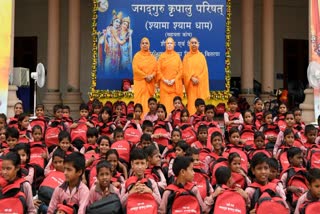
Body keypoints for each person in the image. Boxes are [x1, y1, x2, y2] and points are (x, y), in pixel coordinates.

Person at [183, 37, 210, 114]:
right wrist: (191, 78)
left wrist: (198, 79)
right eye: (192, 43)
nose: (194, 44)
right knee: (192, 104)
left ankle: (201, 120)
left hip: (200, 84)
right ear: (189, 44)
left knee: (201, 104)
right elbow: (184, 71)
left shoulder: (202, 57)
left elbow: (205, 72)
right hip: (191, 85)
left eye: (195, 43)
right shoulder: (186, 57)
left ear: (198, 44)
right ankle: (191, 119)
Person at [132, 38, 157, 119]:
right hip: (140, 84)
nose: (145, 45)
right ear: (140, 45)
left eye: (146, 43)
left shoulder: (152, 58)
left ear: (149, 45)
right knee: (139, 103)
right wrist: (146, 76)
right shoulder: (137, 56)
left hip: (149, 85)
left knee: (148, 103)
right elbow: (135, 70)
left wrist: (152, 76)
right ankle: (138, 120)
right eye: (143, 43)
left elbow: (156, 70)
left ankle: (149, 120)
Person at [157, 37, 183, 113]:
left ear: (174, 45)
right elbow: (158, 70)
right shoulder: (162, 56)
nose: (169, 45)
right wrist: (164, 80)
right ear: (165, 45)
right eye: (168, 43)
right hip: (164, 86)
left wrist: (174, 80)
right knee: (164, 106)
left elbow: (181, 70)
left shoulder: (177, 56)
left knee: (175, 106)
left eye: (171, 43)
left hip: (174, 85)